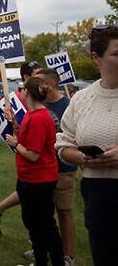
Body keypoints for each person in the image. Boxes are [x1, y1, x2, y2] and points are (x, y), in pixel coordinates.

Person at [56, 24, 118, 266]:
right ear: (96, 58)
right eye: (116, 53)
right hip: (97, 193)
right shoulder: (81, 99)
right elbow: (64, 143)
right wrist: (82, 158)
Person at [5, 76, 64, 266]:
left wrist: (15, 144)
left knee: (44, 227)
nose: (19, 91)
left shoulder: (40, 117)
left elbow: (33, 154)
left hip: (39, 181)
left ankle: (57, 261)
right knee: (34, 225)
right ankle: (41, 261)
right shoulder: (32, 114)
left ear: (28, 93)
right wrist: (13, 122)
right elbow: (26, 137)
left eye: (22, 88)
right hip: (29, 179)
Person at [0, 59, 42, 236]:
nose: (41, 78)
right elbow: (21, 134)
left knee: (34, 200)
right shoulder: (22, 99)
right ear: (26, 78)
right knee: (33, 203)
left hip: (39, 157)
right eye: (37, 74)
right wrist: (14, 123)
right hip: (29, 157)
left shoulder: (38, 98)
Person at [35, 68, 77, 265]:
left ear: (51, 84)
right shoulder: (39, 104)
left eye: (39, 82)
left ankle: (68, 256)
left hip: (63, 169)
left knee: (64, 211)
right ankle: (43, 251)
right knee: (43, 215)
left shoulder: (68, 105)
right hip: (42, 169)